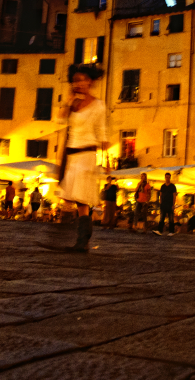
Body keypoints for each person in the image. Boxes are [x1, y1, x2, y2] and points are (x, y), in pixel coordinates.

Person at [56, 64, 109, 252]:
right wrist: (69, 100)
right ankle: (82, 239)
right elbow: (60, 120)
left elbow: (102, 132)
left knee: (81, 197)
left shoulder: (99, 105)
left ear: (90, 82)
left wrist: (106, 159)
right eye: (75, 80)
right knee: (77, 199)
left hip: (86, 154)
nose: (78, 83)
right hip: (71, 155)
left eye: (81, 80)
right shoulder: (73, 104)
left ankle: (82, 240)